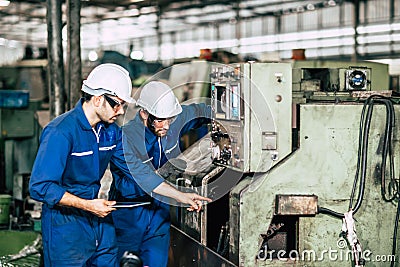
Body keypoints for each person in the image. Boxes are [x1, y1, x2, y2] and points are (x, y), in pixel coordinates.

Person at [109, 81, 212, 267]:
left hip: (159, 212)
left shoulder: (173, 121)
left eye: (169, 119)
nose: (165, 126)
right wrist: (181, 196)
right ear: (144, 114)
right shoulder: (125, 138)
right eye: (159, 120)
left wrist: (232, 111)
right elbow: (144, 178)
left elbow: (200, 112)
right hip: (130, 214)